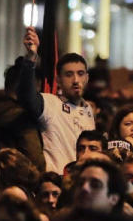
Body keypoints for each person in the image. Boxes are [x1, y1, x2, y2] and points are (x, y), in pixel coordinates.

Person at [18, 28, 95, 173]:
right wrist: (31, 57)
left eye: (80, 74)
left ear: (87, 78)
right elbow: (25, 96)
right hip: (57, 183)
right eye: (68, 75)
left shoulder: (88, 109)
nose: (75, 80)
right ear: (58, 80)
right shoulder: (50, 103)